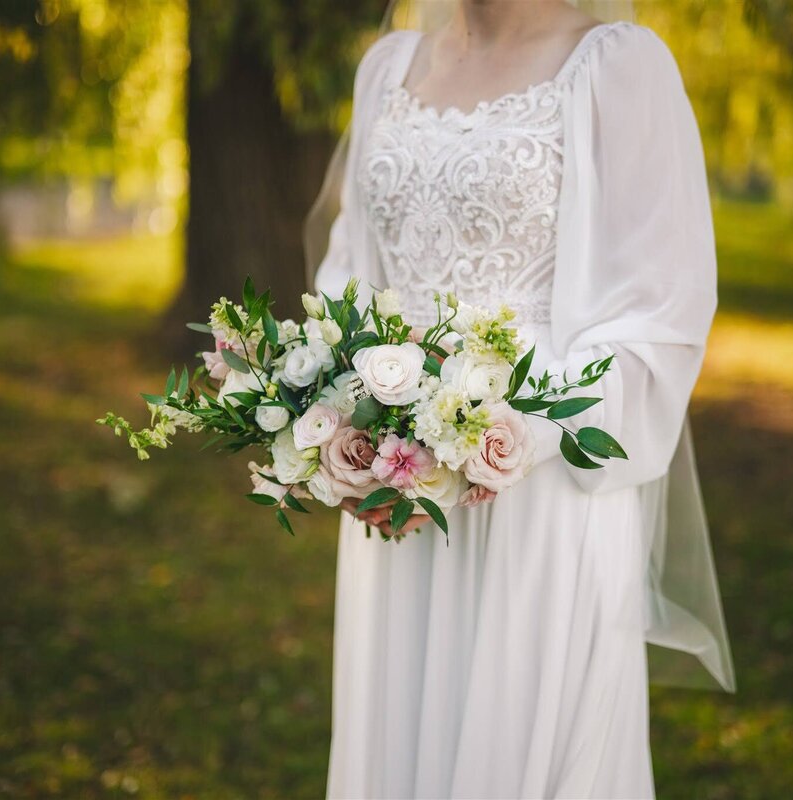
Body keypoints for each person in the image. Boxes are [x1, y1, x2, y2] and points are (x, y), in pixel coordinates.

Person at [307, 1, 736, 796]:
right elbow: (346, 274)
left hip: (538, 489)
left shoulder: (617, 68)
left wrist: (509, 435)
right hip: (397, 500)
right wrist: (338, 426)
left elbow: (661, 318)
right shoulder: (387, 70)